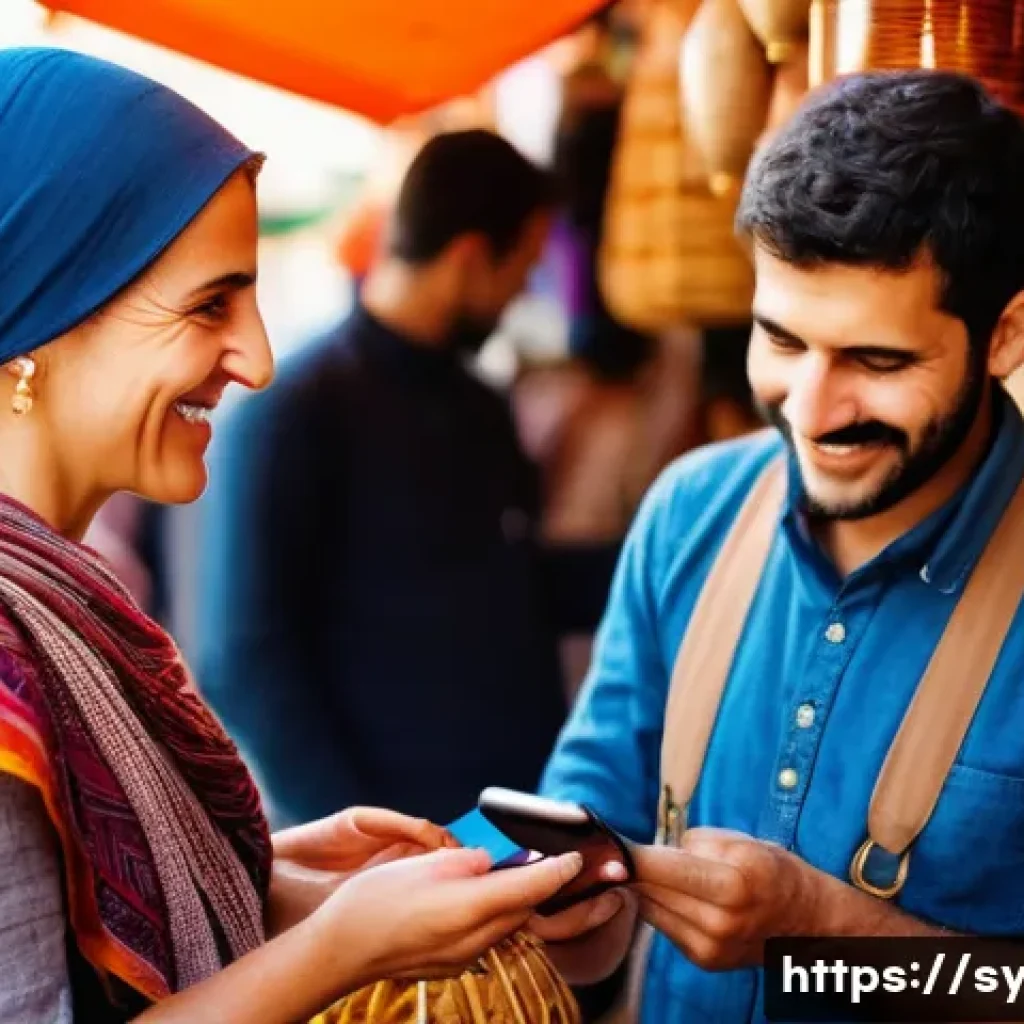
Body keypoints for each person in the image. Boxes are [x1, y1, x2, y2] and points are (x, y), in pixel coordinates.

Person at [0, 47, 591, 1024]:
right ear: (36, 324)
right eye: (208, 305)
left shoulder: (70, 603)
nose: (258, 359)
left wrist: (271, 882)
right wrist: (339, 943)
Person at [528, 69, 1024, 1021]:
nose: (812, 411)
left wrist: (825, 937)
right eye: (782, 341)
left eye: (877, 362)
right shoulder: (691, 510)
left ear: (1004, 335)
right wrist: (561, 905)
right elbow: (596, 813)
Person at [196, 129, 618, 829]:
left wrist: (667, 553)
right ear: (471, 257)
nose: (522, 293)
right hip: (395, 859)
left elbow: (507, 585)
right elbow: (244, 660)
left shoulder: (479, 404)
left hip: (511, 830)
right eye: (523, 268)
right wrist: (368, 841)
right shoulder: (295, 413)